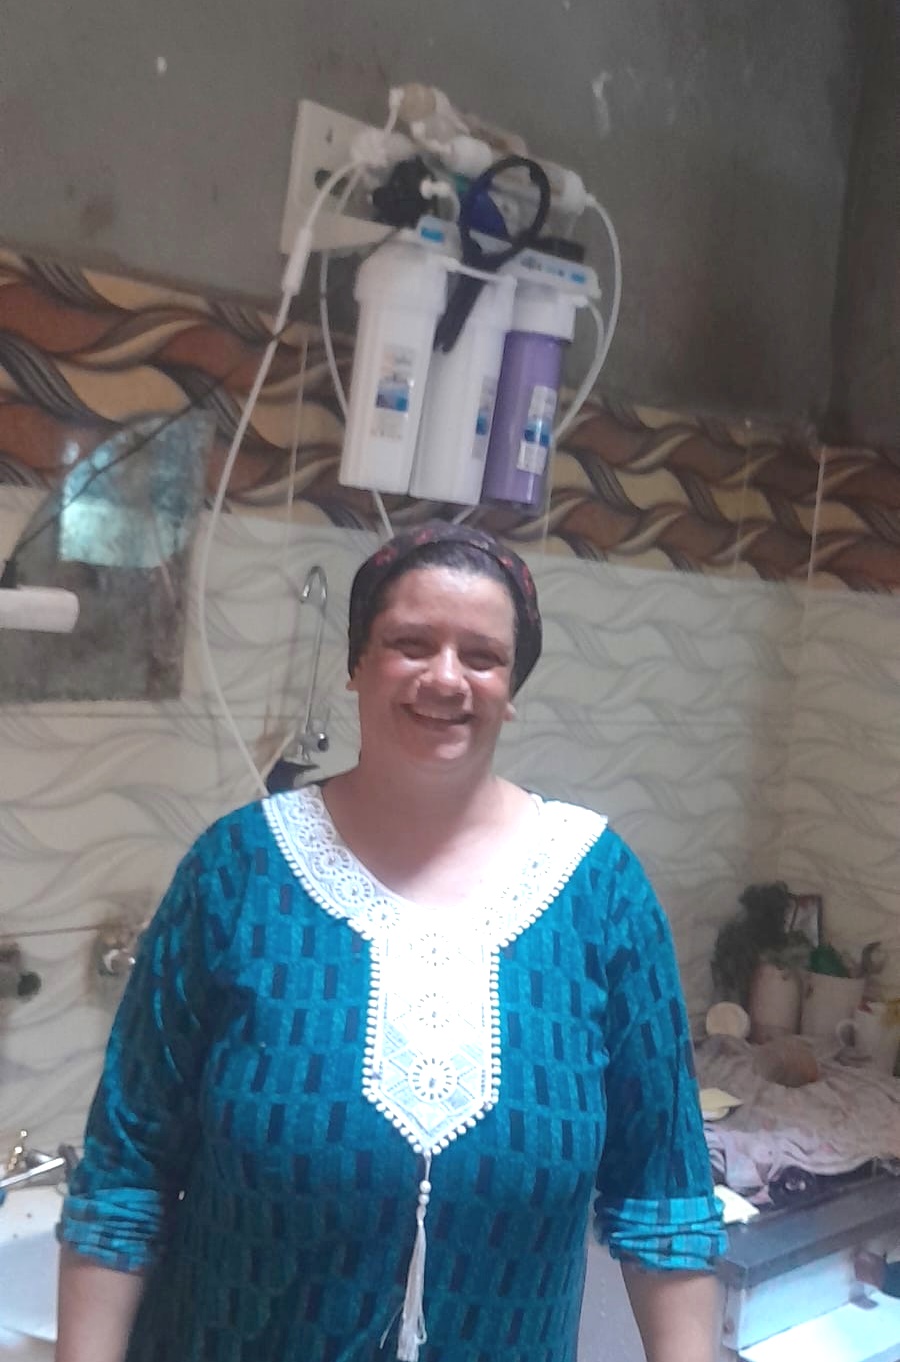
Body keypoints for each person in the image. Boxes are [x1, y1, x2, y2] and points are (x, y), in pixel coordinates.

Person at [57, 520, 726, 1362]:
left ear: (512, 686)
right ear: (357, 664)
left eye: (482, 656)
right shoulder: (237, 871)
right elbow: (124, 1176)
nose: (445, 678)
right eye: (411, 644)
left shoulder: (599, 890)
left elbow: (666, 1199)